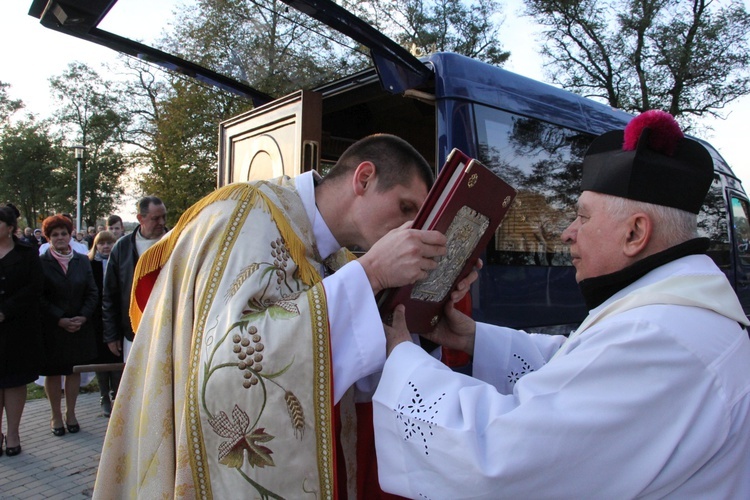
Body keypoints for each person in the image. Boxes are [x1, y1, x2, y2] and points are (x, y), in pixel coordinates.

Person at [372, 111, 750, 499]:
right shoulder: (672, 315)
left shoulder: (658, 338)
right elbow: (581, 365)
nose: (567, 233)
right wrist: (473, 338)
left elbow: (501, 459)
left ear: (635, 232)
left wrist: (403, 360)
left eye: (582, 217)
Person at [93, 134, 453, 498]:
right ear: (363, 178)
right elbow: (226, 365)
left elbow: (356, 372)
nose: (411, 227)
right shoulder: (244, 215)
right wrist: (372, 274)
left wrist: (429, 309)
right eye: (406, 208)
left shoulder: (342, 259)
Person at [39, 214, 99, 436]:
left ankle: (71, 413)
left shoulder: (82, 260)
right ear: (48, 238)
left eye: (64, 233)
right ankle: (55, 415)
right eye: (55, 235)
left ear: (70, 234)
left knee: (73, 371)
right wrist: (59, 319)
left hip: (79, 327)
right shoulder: (41, 263)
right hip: (53, 328)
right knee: (53, 373)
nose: (60, 238)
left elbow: (92, 292)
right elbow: (39, 297)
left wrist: (82, 317)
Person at [0, 205, 44, 457]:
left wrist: (7, 310)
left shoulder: (27, 253)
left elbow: (35, 287)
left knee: (15, 381)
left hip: (19, 328)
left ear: (9, 229)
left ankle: (14, 432)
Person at [102, 197, 167, 363]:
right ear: (140, 218)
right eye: (155, 218)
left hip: (167, 329)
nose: (162, 222)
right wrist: (111, 335)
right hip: (133, 330)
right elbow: (110, 294)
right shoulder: (122, 248)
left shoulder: (176, 242)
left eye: (163, 217)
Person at [88, 230, 121, 417]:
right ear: (96, 245)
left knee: (115, 357)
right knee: (101, 359)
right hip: (96, 319)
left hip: (115, 317)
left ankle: (117, 394)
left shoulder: (118, 263)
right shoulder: (90, 264)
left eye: (109, 243)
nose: (105, 246)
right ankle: (103, 396)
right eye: (101, 243)